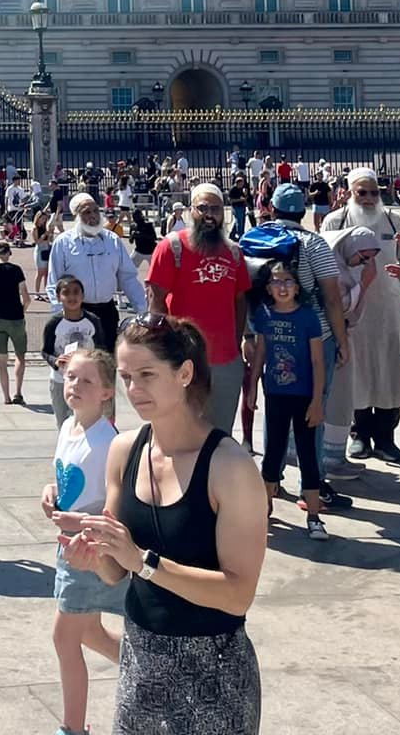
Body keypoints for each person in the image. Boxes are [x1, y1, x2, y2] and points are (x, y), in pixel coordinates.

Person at [56, 315, 267, 735]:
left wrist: (145, 562)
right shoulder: (123, 450)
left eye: (147, 375)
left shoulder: (229, 467)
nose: (134, 390)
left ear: (185, 373)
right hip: (140, 663)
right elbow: (117, 571)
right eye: (127, 377)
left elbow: (238, 595)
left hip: (215, 672)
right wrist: (94, 555)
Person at [41, 346, 123, 735]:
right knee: (88, 631)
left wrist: (80, 520)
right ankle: (151, 665)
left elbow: (118, 505)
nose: (75, 385)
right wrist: (49, 491)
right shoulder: (68, 427)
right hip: (69, 546)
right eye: (71, 377)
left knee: (64, 637)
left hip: (90, 551)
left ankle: (72, 729)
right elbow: (64, 475)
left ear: (107, 392)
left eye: (87, 380)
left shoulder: (108, 442)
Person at [145, 184, 252, 440]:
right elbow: (155, 300)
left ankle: (213, 478)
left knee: (220, 434)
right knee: (181, 431)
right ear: (191, 211)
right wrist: (163, 349)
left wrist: (238, 342)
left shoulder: (234, 253)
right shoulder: (172, 247)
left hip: (226, 361)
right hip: (184, 359)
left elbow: (241, 302)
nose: (209, 214)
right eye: (202, 207)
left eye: (215, 208)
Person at [322, 170, 400, 463]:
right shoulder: (335, 222)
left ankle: (386, 437)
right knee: (354, 374)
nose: (370, 198)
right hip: (350, 312)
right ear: (348, 193)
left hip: (386, 309)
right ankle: (359, 434)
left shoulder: (393, 221)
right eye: (363, 193)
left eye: (374, 192)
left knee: (388, 371)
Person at [247, 260, 328, 539]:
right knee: (273, 452)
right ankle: (264, 506)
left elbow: (318, 362)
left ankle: (314, 516)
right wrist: (253, 387)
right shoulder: (264, 314)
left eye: (288, 282)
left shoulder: (308, 317)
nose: (282, 287)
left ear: (297, 287)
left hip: (304, 395)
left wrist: (317, 401)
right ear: (268, 287)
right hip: (276, 394)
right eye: (276, 281)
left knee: (307, 454)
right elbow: (260, 355)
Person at [48, 192, 149, 345]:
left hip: (108, 312)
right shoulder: (62, 243)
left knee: (108, 362)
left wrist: (143, 311)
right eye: (87, 212)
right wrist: (60, 317)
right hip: (77, 313)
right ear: (76, 216)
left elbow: (128, 278)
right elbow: (54, 282)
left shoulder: (112, 240)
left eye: (95, 210)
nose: (93, 216)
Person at [43, 275, 107, 427]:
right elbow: (45, 351)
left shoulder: (93, 321)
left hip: (87, 381)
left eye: (76, 292)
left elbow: (101, 350)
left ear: (83, 296)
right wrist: (56, 361)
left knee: (85, 421)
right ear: (59, 297)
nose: (72, 297)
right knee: (63, 423)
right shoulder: (54, 323)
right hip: (60, 380)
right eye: (66, 293)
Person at [0, 239, 32, 405]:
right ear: (8, 252)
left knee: (2, 361)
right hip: (16, 318)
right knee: (20, 356)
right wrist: (22, 310)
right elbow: (27, 298)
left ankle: (6, 396)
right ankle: (18, 392)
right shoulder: (16, 270)